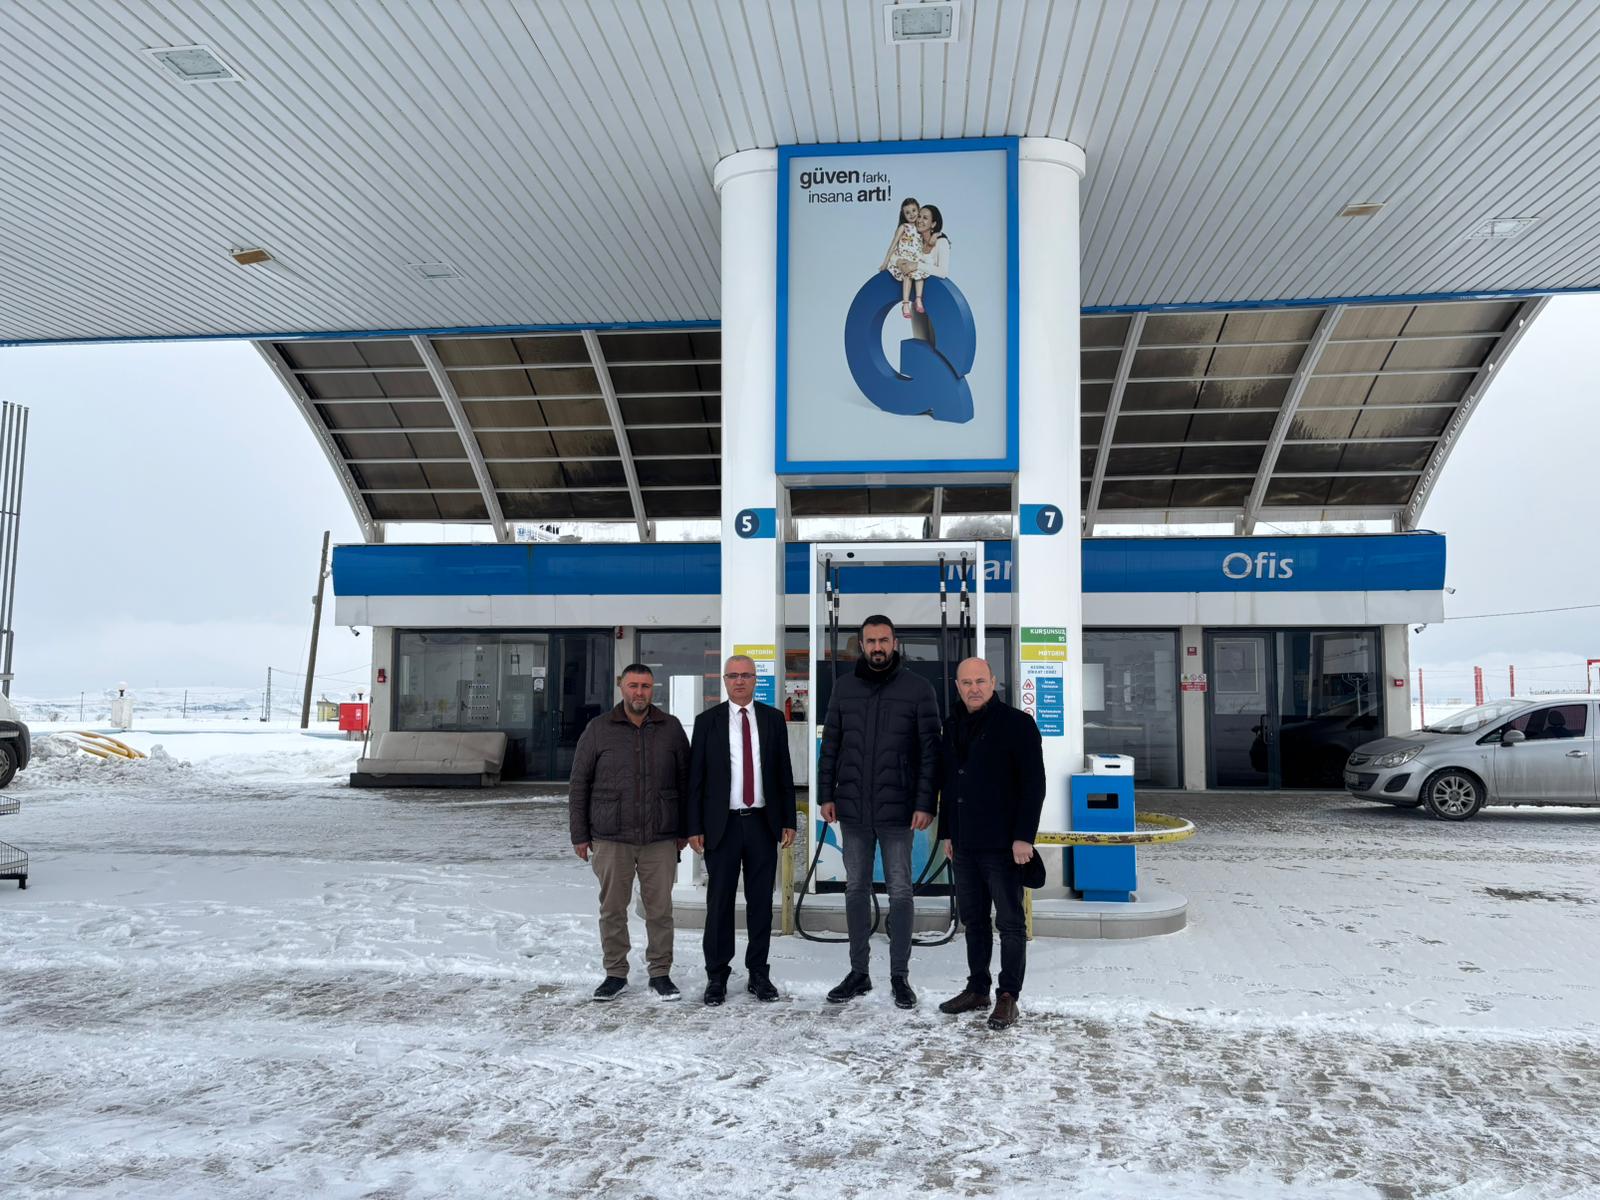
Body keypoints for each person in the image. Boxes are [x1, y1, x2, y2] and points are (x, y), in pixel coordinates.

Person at [816, 614, 941, 1008]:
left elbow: (930, 752)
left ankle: (899, 976)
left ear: (895, 643)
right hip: (853, 809)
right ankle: (859, 973)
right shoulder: (844, 688)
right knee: (856, 889)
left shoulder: (918, 689)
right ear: (861, 645)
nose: (877, 647)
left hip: (899, 811)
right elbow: (831, 746)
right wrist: (825, 795)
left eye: (883, 640)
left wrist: (925, 802)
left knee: (900, 891)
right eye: (870, 641)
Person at [568, 663, 691, 1003]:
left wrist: (685, 829)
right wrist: (579, 834)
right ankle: (615, 973)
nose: (640, 692)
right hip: (611, 837)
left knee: (660, 910)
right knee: (612, 909)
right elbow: (579, 784)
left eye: (646, 686)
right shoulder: (598, 729)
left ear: (653, 689)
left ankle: (660, 972)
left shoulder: (670, 728)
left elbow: (686, 781)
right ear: (622, 686)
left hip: (660, 837)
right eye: (634, 685)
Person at [936, 657, 1045, 1031]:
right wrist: (947, 832)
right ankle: (977, 989)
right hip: (964, 843)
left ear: (993, 682)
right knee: (974, 920)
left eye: (980, 681)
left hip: (1004, 844)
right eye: (966, 683)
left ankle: (1008, 996)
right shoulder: (951, 724)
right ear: (957, 686)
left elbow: (1034, 785)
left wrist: (1024, 837)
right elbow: (949, 782)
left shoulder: (1017, 724)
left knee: (1011, 922)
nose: (974, 688)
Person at [687, 655, 798, 1006]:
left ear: (755, 680)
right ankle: (716, 975)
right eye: (733, 675)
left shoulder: (773, 719)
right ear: (724, 680)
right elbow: (695, 778)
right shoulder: (707, 722)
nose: (739, 681)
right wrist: (693, 826)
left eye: (746, 675)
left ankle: (758, 973)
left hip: (763, 823)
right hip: (722, 826)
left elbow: (783, 772)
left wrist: (789, 819)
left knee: (761, 903)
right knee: (719, 902)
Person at [879, 196, 927, 318]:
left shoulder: (921, 228)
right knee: (907, 273)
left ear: (919, 210)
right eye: (907, 212)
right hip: (903, 258)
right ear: (903, 214)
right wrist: (885, 262)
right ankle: (905, 304)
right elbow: (893, 245)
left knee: (920, 275)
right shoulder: (903, 227)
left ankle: (918, 299)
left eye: (914, 210)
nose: (911, 214)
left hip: (916, 259)